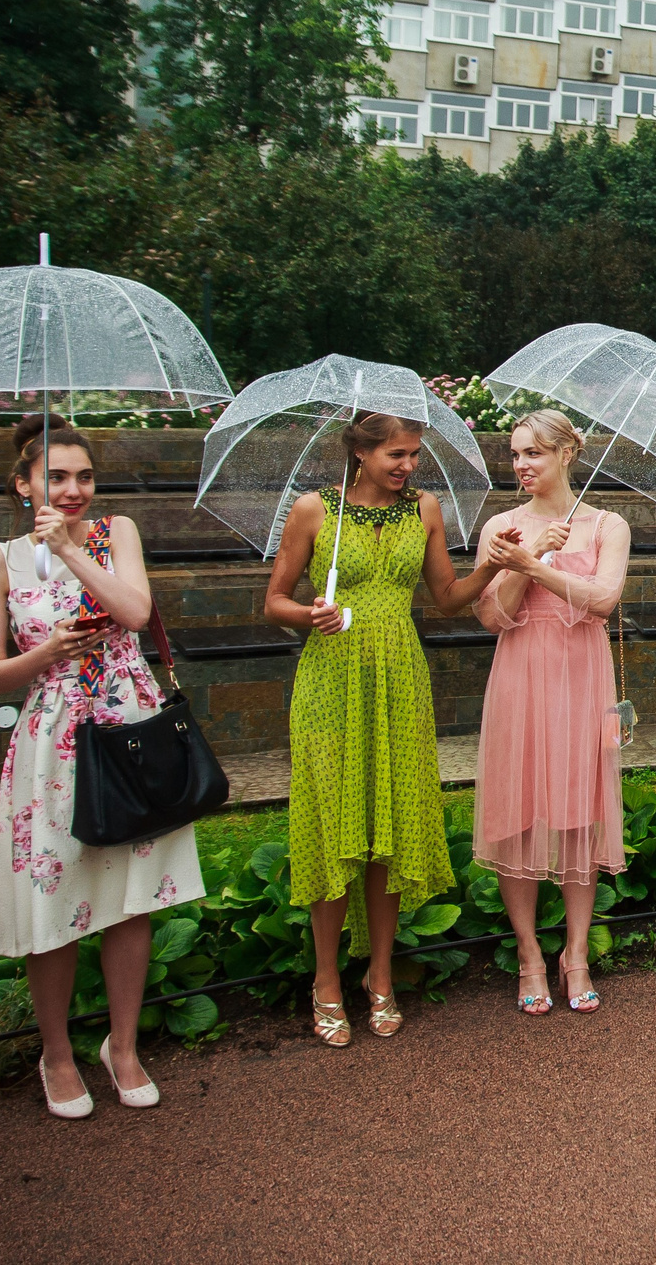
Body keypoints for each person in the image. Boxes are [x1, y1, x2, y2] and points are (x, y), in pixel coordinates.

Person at [0, 417, 204, 1115]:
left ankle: (122, 1046)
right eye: (56, 477)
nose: (73, 489)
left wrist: (71, 550)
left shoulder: (114, 533)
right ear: (23, 485)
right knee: (55, 893)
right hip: (53, 738)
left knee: (131, 897)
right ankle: (57, 1054)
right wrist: (47, 652)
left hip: (128, 726)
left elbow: (134, 612)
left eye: (84, 476)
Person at [265, 411, 498, 1047]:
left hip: (399, 679)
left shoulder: (424, 509)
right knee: (333, 827)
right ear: (361, 453)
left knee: (387, 825)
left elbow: (446, 598)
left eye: (414, 455)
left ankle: (382, 975)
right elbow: (274, 601)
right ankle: (325, 981)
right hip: (330, 683)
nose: (409, 466)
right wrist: (309, 614)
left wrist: (493, 567)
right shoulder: (314, 510)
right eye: (397, 454)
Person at [472, 411, 628, 1015]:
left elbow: (604, 600)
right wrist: (525, 554)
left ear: (568, 453)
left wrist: (537, 566)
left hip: (583, 677)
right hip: (521, 674)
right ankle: (530, 954)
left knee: (579, 813)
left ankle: (577, 953)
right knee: (515, 809)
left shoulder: (608, 525)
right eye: (515, 454)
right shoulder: (502, 526)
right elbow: (492, 617)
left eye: (533, 452)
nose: (521, 465)